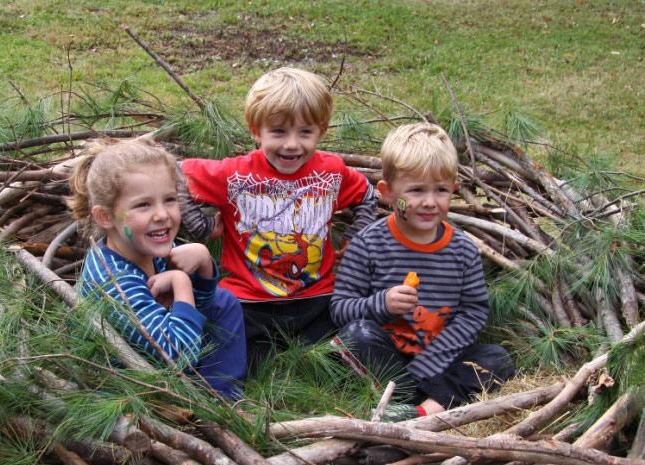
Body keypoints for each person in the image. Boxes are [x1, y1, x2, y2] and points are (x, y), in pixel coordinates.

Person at [178, 67, 377, 368]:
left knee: (347, 345)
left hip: (317, 298)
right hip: (250, 302)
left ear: (321, 131)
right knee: (229, 358)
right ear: (255, 131)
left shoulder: (331, 172)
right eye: (279, 131)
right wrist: (200, 226)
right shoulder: (233, 175)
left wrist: (356, 235)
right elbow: (176, 173)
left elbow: (366, 194)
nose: (292, 144)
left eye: (305, 132)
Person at [331, 123, 514, 419]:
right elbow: (340, 309)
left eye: (440, 190)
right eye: (416, 190)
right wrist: (383, 305)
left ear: (453, 189)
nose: (429, 202)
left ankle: (422, 411)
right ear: (388, 193)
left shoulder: (463, 250)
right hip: (387, 358)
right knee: (355, 335)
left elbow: (473, 313)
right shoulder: (368, 244)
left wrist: (431, 362)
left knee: (497, 359)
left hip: (441, 358)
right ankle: (403, 397)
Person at [68, 137, 246, 400]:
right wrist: (181, 283)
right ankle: (207, 407)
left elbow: (203, 307)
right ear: (105, 216)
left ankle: (222, 397)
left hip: (161, 363)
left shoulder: (146, 246)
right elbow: (176, 354)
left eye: (169, 200)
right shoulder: (113, 280)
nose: (162, 214)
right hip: (129, 388)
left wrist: (204, 263)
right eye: (143, 205)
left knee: (223, 301)